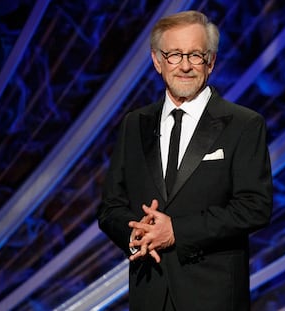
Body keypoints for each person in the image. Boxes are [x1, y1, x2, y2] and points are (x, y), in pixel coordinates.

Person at [97, 10, 273, 311]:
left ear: (211, 62)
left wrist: (176, 231)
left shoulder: (244, 124)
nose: (185, 66)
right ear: (157, 61)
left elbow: (254, 207)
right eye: (175, 54)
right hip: (149, 293)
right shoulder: (134, 124)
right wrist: (137, 235)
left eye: (195, 55)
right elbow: (111, 207)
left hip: (212, 297)